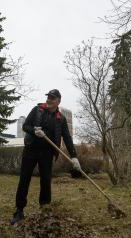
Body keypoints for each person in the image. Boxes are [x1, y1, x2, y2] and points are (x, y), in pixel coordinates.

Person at [10, 89, 81, 225]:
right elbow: (25, 126)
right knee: (24, 179)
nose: (49, 100)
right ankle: (19, 211)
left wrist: (74, 157)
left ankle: (45, 209)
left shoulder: (61, 119)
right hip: (31, 150)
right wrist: (34, 131)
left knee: (46, 182)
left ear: (58, 101)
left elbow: (67, 137)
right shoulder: (37, 110)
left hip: (47, 153)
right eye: (48, 97)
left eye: (52, 98)